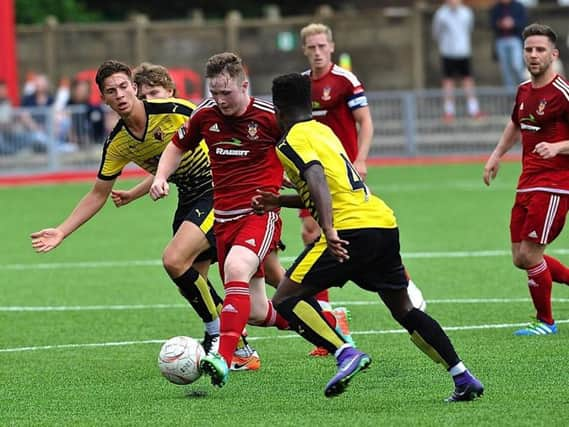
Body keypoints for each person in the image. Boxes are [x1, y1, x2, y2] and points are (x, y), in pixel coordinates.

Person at [245, 72, 484, 401]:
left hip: (349, 228)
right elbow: (329, 187)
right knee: (404, 309)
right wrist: (280, 201)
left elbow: (316, 179)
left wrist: (328, 230)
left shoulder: (291, 140)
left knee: (285, 299)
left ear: (277, 108)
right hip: (381, 222)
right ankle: (463, 377)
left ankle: (345, 353)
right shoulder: (322, 130)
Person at [28, 59, 260, 371]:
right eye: (112, 91)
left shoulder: (174, 110)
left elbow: (224, 122)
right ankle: (242, 348)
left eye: (124, 86)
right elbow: (98, 193)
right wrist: (61, 230)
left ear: (135, 88)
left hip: (219, 189)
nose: (120, 94)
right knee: (192, 281)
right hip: (189, 197)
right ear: (104, 99)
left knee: (175, 260)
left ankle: (217, 336)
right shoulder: (119, 143)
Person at [150, 53, 293, 379]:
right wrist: (160, 177)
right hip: (224, 218)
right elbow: (176, 146)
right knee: (257, 311)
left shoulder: (270, 117)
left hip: (259, 214)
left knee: (235, 269)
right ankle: (325, 327)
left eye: (226, 92)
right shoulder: (206, 114)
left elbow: (300, 151)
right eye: (214, 92)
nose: (220, 100)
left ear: (244, 85)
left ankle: (224, 354)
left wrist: (294, 182)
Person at [300, 23, 426, 356]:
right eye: (311, 47)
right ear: (304, 50)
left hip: (343, 176)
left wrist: (361, 158)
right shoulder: (302, 86)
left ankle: (407, 287)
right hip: (313, 175)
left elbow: (365, 121)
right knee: (312, 234)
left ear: (331, 46)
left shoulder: (345, 81)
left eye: (322, 45)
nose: (317, 51)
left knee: (359, 236)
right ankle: (330, 320)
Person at [483, 23, 569, 336]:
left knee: (532, 255)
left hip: (554, 184)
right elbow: (515, 125)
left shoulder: (562, 94)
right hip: (527, 182)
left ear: (553, 54)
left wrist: (559, 146)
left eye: (540, 50)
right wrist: (496, 155)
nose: (533, 55)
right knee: (521, 258)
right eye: (529, 49)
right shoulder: (523, 90)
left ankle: (546, 322)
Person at [432, 0, 483, 123]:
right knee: (448, 81)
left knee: (468, 80)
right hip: (447, 52)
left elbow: (469, 28)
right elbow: (436, 32)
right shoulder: (441, 14)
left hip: (464, 52)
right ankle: (449, 111)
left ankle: (473, 110)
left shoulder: (466, 12)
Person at [489, 0, 528, 90]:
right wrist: (499, 24)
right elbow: (491, 23)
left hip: (515, 39)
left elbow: (524, 22)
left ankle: (524, 88)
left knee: (517, 65)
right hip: (501, 40)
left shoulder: (518, 6)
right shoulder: (495, 8)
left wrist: (513, 23)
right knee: (506, 70)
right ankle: (510, 95)